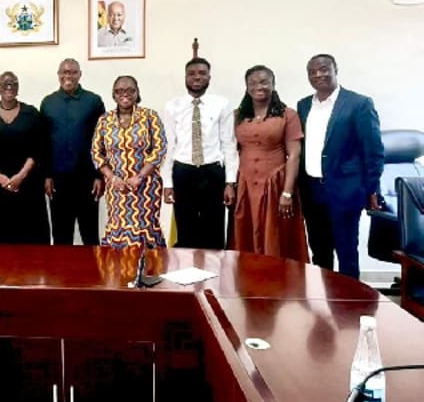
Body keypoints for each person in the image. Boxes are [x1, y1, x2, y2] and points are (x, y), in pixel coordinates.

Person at [297, 54, 383, 279]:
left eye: (324, 69)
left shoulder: (359, 103)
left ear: (336, 70)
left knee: (346, 253)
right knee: (319, 252)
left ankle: (350, 307)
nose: (318, 75)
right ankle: (322, 306)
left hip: (346, 190)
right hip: (312, 190)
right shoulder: (304, 105)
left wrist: (372, 189)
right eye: (313, 72)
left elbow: (373, 150)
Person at [231, 65, 308, 262]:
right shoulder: (238, 115)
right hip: (245, 186)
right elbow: (229, 151)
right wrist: (230, 184)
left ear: (273, 84)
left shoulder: (287, 115)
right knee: (244, 235)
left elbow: (295, 154)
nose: (259, 86)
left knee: (276, 236)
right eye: (253, 83)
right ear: (247, 87)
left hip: (275, 185)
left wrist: (287, 192)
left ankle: (278, 285)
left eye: (264, 82)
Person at [162, 58, 238, 249]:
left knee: (214, 228)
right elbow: (169, 146)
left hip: (212, 173)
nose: (197, 77)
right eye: (192, 73)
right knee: (185, 229)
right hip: (183, 172)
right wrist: (168, 183)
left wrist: (230, 182)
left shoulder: (221, 104)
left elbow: (228, 144)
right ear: (185, 77)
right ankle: (187, 274)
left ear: (209, 77)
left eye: (202, 73)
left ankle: (214, 276)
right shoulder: (172, 106)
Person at [0, 71, 50, 244]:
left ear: (18, 87)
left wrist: (20, 176)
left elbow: (39, 148)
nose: (9, 87)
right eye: (4, 83)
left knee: (27, 236)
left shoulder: (31, 113)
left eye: (13, 83)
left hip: (26, 185)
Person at [91, 75, 167, 247]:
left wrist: (139, 177)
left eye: (130, 90)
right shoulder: (105, 120)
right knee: (118, 228)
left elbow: (159, 149)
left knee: (144, 228)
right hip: (117, 188)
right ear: (114, 94)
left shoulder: (149, 117)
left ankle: (149, 271)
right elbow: (96, 152)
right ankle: (119, 273)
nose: (124, 94)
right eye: (119, 91)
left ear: (137, 92)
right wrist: (112, 178)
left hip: (146, 187)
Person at [40, 58, 105, 245]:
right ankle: (61, 274)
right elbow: (43, 142)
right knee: (61, 235)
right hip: (58, 180)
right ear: (59, 75)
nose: (68, 76)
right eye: (64, 72)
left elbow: (101, 141)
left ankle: (93, 274)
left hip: (87, 179)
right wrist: (46, 175)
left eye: (73, 72)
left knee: (90, 234)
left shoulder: (93, 101)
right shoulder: (48, 102)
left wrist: (99, 176)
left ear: (79, 74)